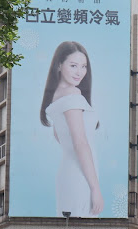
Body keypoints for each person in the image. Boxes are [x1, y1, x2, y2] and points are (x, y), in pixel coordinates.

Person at [40, 41, 103, 217]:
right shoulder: (73, 95)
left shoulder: (55, 96)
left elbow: (59, 134)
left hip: (70, 172)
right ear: (59, 65)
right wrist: (95, 188)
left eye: (83, 66)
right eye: (73, 65)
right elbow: (80, 142)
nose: (79, 72)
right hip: (81, 178)